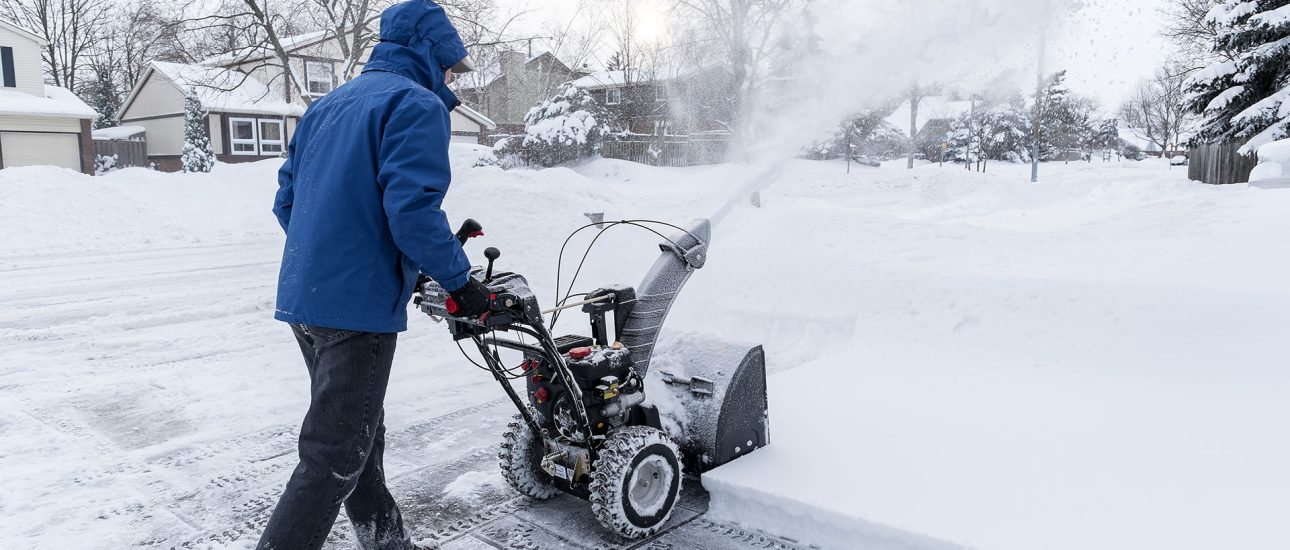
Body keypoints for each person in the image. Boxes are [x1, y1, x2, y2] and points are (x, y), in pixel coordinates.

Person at [259, 1, 493, 548]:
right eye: (451, 66)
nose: (453, 77)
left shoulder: (328, 106)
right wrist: (462, 283)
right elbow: (412, 212)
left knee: (355, 439)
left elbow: (287, 202)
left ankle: (389, 543)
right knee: (333, 457)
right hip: (356, 310)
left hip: (306, 298)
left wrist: (339, 257)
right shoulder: (415, 104)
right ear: (431, 54)